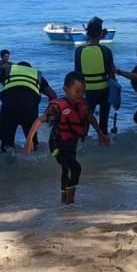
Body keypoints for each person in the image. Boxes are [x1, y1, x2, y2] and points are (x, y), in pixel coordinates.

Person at [25, 72, 110, 204]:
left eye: (83, 92)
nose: (80, 95)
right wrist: (29, 139)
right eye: (77, 91)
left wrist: (100, 134)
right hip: (57, 144)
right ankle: (70, 201)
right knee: (75, 168)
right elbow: (40, 120)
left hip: (72, 143)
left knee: (67, 169)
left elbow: (90, 118)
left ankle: (64, 200)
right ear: (65, 89)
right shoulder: (56, 107)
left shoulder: (82, 105)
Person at [0, 61, 58, 153]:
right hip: (29, 109)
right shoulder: (36, 75)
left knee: (7, 145)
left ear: (17, 67)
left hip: (9, 107)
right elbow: (53, 96)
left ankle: (8, 164)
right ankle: (33, 162)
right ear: (30, 69)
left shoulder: (10, 69)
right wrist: (47, 115)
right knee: (32, 143)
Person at [74, 17, 117, 136]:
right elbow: (112, 74)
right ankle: (104, 143)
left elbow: (77, 75)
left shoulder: (79, 51)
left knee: (85, 121)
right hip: (104, 90)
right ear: (100, 34)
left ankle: (83, 144)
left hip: (87, 91)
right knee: (104, 121)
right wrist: (115, 95)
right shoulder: (106, 51)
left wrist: (77, 96)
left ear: (87, 33)